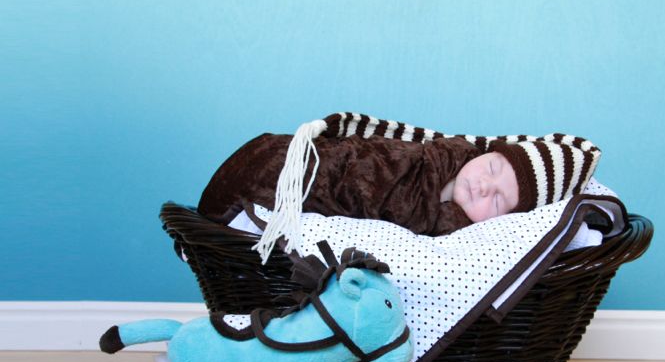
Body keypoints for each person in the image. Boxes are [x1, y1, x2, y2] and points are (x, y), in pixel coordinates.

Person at [197, 113, 599, 238]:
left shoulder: (459, 230)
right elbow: (369, 156)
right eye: (493, 169)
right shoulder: (447, 153)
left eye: (497, 200)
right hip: (299, 163)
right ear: (487, 153)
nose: (483, 185)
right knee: (281, 166)